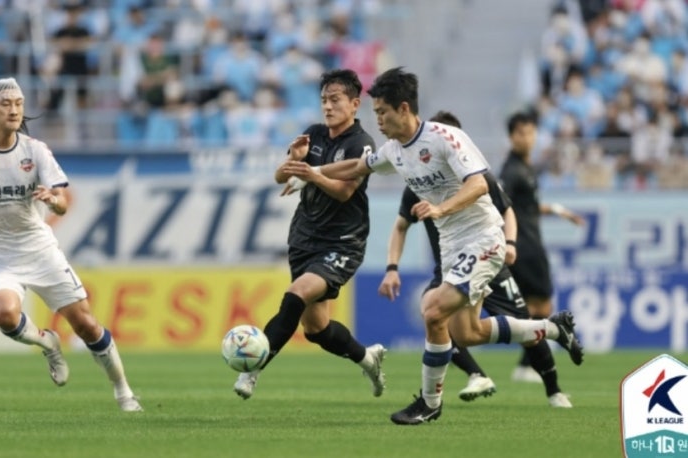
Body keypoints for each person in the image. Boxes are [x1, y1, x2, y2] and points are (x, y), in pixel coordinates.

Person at [282, 67, 583, 425]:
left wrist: (441, 208)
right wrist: (313, 174)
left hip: (483, 236)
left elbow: (478, 185)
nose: (376, 120)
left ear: (404, 108)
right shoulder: (394, 151)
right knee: (466, 334)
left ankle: (429, 402)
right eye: (375, 112)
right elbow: (355, 167)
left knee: (432, 309)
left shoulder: (446, 137)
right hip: (453, 245)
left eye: (382, 112)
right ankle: (552, 328)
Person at [0, 77, 142, 412]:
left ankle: (124, 391)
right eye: (6, 104)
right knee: (5, 314)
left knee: (86, 325)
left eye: (19, 104)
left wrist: (53, 200)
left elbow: (62, 200)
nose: (14, 110)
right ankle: (46, 342)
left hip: (39, 249)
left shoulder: (35, 151)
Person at [378, 110, 574, 408]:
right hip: (450, 267)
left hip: (489, 259)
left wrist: (509, 243)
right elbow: (400, 226)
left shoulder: (476, 176)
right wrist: (392, 267)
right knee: (440, 318)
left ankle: (554, 390)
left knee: (519, 323)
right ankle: (474, 375)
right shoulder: (416, 181)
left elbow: (507, 209)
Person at [233, 68, 386, 400]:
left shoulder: (362, 144)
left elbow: (345, 191)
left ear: (355, 103)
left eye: (335, 100)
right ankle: (367, 358)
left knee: (295, 294)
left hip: (343, 241)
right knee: (316, 329)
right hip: (304, 238)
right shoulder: (313, 134)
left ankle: (254, 367)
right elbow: (280, 177)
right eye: (323, 101)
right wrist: (295, 160)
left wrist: (312, 174)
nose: (327, 107)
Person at [499, 112, 585, 384]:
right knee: (540, 305)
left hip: (531, 242)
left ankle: (528, 363)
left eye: (531, 132)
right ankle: (529, 364)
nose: (528, 138)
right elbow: (501, 206)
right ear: (512, 137)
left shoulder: (527, 168)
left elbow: (528, 207)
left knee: (535, 308)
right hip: (523, 246)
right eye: (522, 133)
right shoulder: (510, 171)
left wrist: (559, 211)